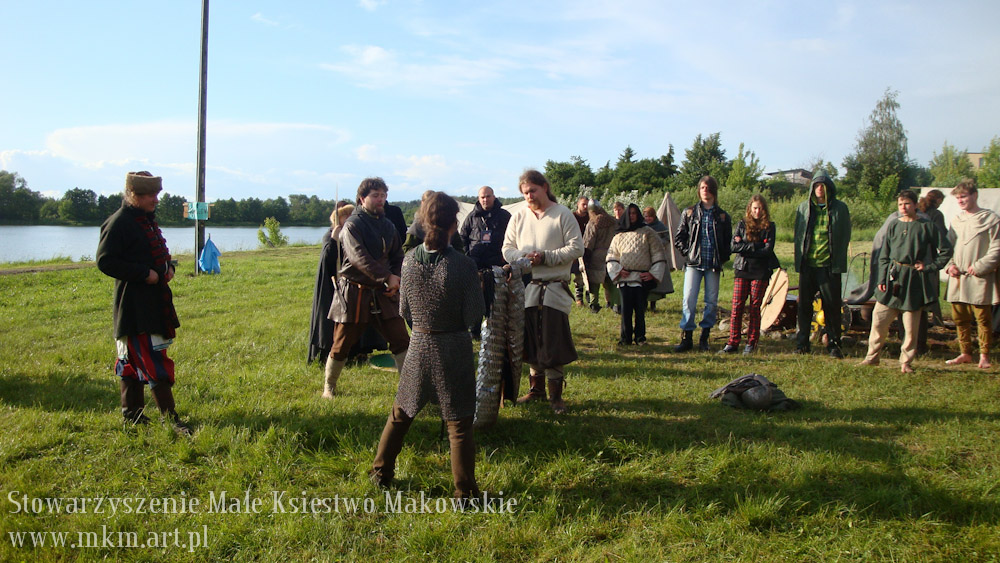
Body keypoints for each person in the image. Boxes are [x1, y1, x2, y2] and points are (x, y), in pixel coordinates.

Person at [370, 192, 486, 501]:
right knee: (459, 423)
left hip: (420, 343)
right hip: (453, 346)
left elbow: (405, 311)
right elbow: (473, 315)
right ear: (453, 223)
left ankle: (380, 473)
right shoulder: (462, 264)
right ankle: (465, 494)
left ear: (423, 221)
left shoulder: (409, 261)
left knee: (401, 413)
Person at [96, 171, 189, 434]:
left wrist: (167, 268)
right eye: (149, 195)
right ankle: (169, 420)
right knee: (148, 358)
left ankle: (133, 416)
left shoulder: (144, 220)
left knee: (134, 358)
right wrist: (143, 274)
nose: (155, 200)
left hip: (152, 301)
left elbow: (154, 253)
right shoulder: (119, 222)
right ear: (132, 194)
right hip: (135, 305)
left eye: (156, 194)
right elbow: (105, 261)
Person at [502, 169, 583, 414]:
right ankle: (536, 389)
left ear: (544, 187)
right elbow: (507, 249)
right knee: (532, 341)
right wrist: (524, 258)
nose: (529, 196)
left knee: (552, 342)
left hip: (555, 290)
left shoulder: (562, 214)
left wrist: (545, 257)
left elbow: (576, 248)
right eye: (525, 193)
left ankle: (556, 396)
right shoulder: (518, 216)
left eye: (533, 191)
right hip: (528, 289)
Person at [325, 178, 410, 397]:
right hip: (355, 291)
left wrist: (396, 278)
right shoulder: (352, 225)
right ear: (362, 199)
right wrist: (386, 277)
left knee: (401, 340)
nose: (381, 199)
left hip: (383, 293)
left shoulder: (388, 225)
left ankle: (409, 391)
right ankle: (329, 387)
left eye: (383, 195)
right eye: (376, 195)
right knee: (342, 344)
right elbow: (358, 258)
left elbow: (397, 256)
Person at [859, 190, 952, 372]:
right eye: (900, 204)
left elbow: (946, 250)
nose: (903, 207)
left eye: (907, 203)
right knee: (879, 321)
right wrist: (882, 278)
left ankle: (905, 362)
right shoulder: (894, 225)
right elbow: (884, 255)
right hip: (892, 278)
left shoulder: (927, 226)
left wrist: (930, 267)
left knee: (910, 327)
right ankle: (872, 357)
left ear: (915, 205)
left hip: (913, 280)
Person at [793, 172, 851, 357]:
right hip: (808, 264)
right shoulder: (804, 208)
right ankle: (802, 344)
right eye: (817, 185)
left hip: (829, 265)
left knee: (832, 307)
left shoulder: (840, 208)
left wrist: (838, 260)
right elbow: (798, 235)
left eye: (823, 185)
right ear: (812, 188)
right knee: (804, 306)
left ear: (829, 188)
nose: (820, 188)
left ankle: (834, 344)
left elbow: (845, 235)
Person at [943, 179, 1000, 369]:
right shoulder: (957, 221)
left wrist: (981, 266)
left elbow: (996, 248)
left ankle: (984, 355)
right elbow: (947, 247)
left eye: (964, 196)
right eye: (958, 198)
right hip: (958, 277)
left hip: (979, 277)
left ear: (974, 195)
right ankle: (965, 353)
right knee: (960, 318)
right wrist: (950, 265)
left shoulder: (991, 219)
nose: (960, 200)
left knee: (983, 318)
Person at [673, 176, 732, 352]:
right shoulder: (689, 212)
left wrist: (722, 258)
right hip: (694, 263)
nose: (705, 190)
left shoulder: (722, 216)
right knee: (688, 300)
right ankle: (687, 337)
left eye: (707, 187)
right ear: (698, 190)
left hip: (712, 264)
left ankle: (704, 337)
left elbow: (727, 242)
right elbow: (679, 237)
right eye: (702, 187)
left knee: (711, 302)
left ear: (713, 190)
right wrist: (688, 253)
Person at [720, 195, 780, 355]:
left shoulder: (770, 227)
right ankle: (733, 342)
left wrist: (746, 246)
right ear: (750, 209)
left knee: (754, 307)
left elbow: (767, 250)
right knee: (737, 306)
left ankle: (751, 343)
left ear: (764, 209)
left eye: (760, 208)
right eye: (754, 208)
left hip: (761, 271)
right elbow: (734, 247)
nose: (757, 211)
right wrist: (756, 246)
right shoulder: (742, 224)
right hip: (742, 268)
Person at [606, 203, 667, 345]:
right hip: (625, 279)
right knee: (625, 310)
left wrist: (652, 274)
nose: (632, 216)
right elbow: (612, 256)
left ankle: (640, 337)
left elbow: (658, 253)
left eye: (634, 213)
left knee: (640, 310)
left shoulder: (648, 232)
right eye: (630, 213)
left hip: (641, 278)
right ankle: (625, 338)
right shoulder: (619, 236)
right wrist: (618, 270)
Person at [460, 186, 511, 270]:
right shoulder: (471, 217)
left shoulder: (505, 216)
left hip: (498, 264)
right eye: (483, 197)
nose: (485, 199)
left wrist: (505, 257)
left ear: (494, 197)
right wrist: (467, 257)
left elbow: (512, 238)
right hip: (475, 264)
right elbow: (462, 238)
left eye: (488, 196)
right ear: (479, 199)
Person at [582, 200, 617, 313]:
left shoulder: (593, 223)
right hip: (613, 254)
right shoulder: (613, 221)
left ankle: (594, 304)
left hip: (596, 256)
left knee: (594, 282)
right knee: (612, 280)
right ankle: (616, 304)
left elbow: (588, 242)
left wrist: (585, 258)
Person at [643, 206, 672, 311]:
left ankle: (653, 304)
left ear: (654, 216)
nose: (647, 219)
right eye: (646, 216)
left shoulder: (660, 226)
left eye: (649, 216)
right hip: (644, 257)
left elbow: (667, 239)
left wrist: (658, 243)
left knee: (655, 279)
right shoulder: (642, 226)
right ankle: (644, 303)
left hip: (656, 256)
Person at [571, 196, 590, 305]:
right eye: (583, 204)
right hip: (574, 248)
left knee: (586, 274)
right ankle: (578, 298)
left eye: (587, 204)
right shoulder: (572, 217)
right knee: (575, 274)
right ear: (578, 204)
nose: (585, 206)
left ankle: (587, 298)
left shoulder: (590, 217)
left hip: (587, 249)